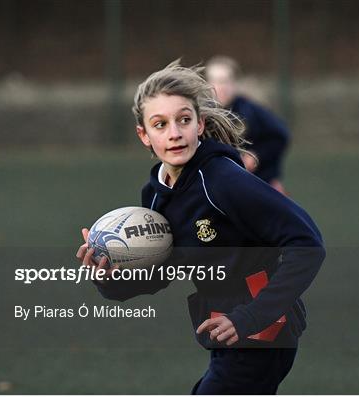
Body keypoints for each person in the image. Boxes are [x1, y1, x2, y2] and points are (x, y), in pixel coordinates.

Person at [76, 61, 325, 394]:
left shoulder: (222, 180)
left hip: (263, 334)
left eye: (183, 120)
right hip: (225, 330)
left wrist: (250, 317)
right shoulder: (154, 196)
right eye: (159, 124)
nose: (174, 133)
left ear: (199, 124)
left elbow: (307, 244)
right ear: (144, 136)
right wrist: (109, 279)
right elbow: (161, 273)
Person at [205, 55, 290, 194]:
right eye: (214, 80)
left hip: (258, 183)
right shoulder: (202, 115)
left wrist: (256, 155)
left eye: (224, 81)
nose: (220, 87)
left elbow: (280, 136)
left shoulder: (252, 110)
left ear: (234, 83)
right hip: (221, 188)